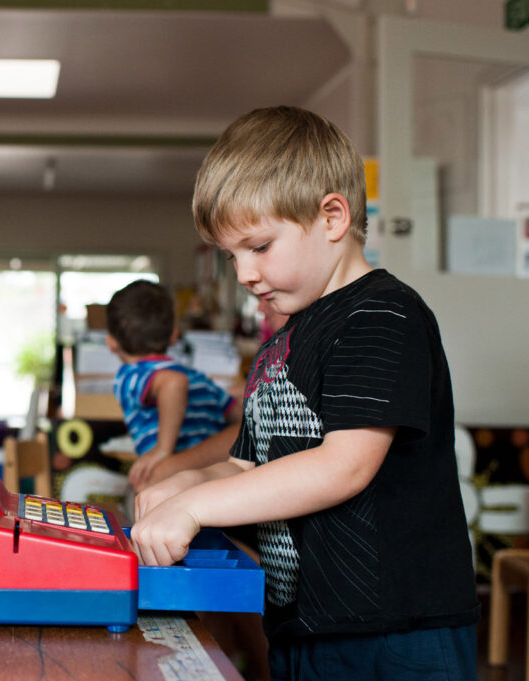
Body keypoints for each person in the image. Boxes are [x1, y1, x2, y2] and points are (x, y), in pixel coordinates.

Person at [131, 106, 479, 680]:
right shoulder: (282, 345)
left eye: (259, 247)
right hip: (304, 627)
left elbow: (343, 467)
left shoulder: (382, 316)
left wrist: (195, 507)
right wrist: (186, 483)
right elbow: (246, 466)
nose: (244, 273)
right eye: (232, 255)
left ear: (333, 217)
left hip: (394, 634)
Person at [105, 280, 241, 491]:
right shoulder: (199, 378)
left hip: (174, 484)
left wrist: (162, 449)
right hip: (217, 482)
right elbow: (239, 418)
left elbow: (174, 384)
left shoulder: (130, 376)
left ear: (111, 342)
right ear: (174, 336)